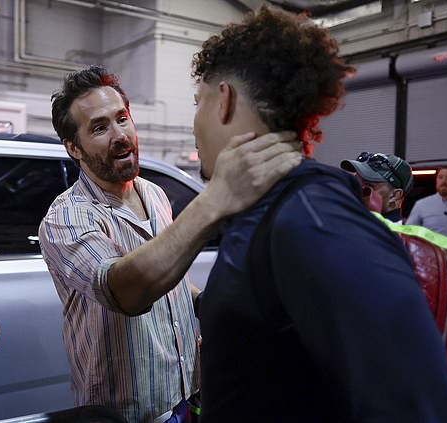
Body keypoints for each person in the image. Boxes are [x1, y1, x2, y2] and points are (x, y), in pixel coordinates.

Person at [190, 7, 447, 422]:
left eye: (197, 101)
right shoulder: (264, 207)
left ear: (224, 100)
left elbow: (415, 402)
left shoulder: (309, 216)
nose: (194, 119)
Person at [38, 65, 301, 422]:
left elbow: (170, 276)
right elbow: (123, 290)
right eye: (100, 127)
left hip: (184, 399)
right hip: (125, 414)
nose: (120, 135)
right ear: (74, 148)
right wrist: (215, 198)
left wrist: (207, 304)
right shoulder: (67, 217)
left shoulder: (154, 193)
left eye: (123, 119)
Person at [340, 152, 414, 222]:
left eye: (368, 186)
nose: (356, 190)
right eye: (355, 182)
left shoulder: (393, 233)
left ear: (395, 195)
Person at [407, 167, 447, 237]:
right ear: (436, 181)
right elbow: (409, 233)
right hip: (430, 247)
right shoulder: (421, 205)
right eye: (440, 177)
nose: (444, 181)